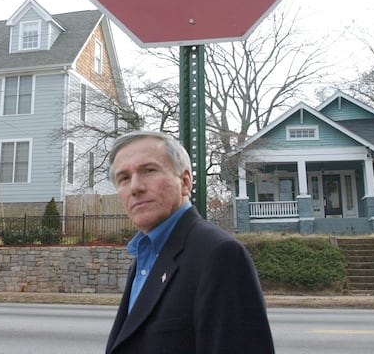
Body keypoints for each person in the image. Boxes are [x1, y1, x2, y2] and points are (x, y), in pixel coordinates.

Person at [105, 130, 274, 354]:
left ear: (185, 182)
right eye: (124, 178)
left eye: (149, 171)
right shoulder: (146, 256)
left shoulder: (219, 254)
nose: (135, 187)